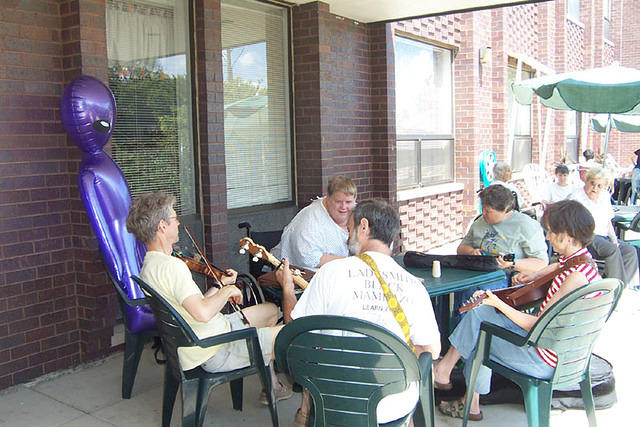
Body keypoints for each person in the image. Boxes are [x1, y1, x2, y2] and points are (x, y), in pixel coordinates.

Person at [277, 199, 441, 426]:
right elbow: (430, 352)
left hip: (332, 400)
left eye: (350, 228)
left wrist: (287, 289)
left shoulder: (330, 273)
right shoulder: (414, 286)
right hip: (392, 405)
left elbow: (296, 335)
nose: (347, 237)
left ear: (364, 227)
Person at [435, 200, 601, 421]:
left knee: (479, 336)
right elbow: (557, 266)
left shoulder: (573, 278)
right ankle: (449, 375)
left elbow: (536, 324)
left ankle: (465, 398)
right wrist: (534, 277)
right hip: (568, 352)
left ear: (568, 236)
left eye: (551, 232)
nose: (548, 237)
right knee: (480, 316)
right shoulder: (584, 265)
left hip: (546, 359)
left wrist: (498, 303)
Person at [126, 191, 292, 404]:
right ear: (162, 226)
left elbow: (193, 306)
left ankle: (272, 387)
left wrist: (219, 285)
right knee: (293, 334)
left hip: (203, 336)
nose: (178, 224)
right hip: (215, 349)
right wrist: (227, 292)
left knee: (269, 310)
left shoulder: (150, 266)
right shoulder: (173, 268)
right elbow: (203, 313)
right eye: (175, 219)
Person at [570, 167, 639, 289]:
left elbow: (608, 222)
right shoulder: (576, 197)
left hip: (604, 236)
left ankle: (621, 288)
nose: (595, 188)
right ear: (586, 181)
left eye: (599, 186)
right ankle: (612, 289)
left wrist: (614, 238)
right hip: (586, 236)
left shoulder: (604, 196)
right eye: (592, 183)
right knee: (612, 250)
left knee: (629, 251)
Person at [271, 175, 357, 269]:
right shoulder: (310, 220)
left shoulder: (359, 214)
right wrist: (349, 261)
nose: (343, 207)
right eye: (338, 202)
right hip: (296, 273)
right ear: (328, 198)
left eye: (348, 202)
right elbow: (308, 258)